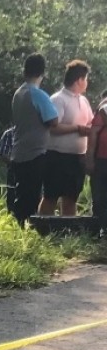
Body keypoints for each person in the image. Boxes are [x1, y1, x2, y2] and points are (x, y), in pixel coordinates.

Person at [38, 59, 93, 217]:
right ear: (79, 80)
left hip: (78, 157)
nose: (86, 83)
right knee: (51, 196)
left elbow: (90, 121)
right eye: (86, 79)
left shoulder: (83, 100)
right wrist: (77, 128)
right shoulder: (58, 99)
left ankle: (68, 232)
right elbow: (53, 127)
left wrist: (88, 130)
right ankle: (43, 229)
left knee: (71, 197)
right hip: (57, 156)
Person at [9, 53, 59, 225]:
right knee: (32, 197)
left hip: (18, 151)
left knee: (21, 195)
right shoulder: (38, 94)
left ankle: (19, 229)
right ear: (42, 73)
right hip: (35, 153)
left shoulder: (18, 93)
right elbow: (53, 120)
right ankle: (29, 233)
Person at [86, 89, 107, 229]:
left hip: (101, 160)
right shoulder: (103, 109)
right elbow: (93, 134)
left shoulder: (103, 108)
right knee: (99, 198)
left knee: (99, 198)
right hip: (101, 160)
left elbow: (93, 134)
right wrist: (89, 159)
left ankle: (100, 229)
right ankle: (100, 229)